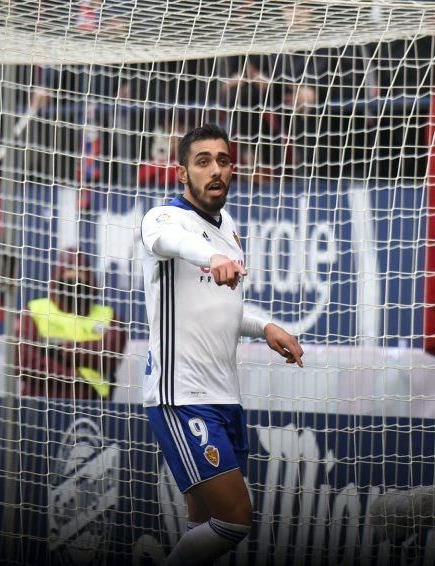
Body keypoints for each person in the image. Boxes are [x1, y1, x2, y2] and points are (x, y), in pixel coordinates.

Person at [139, 124, 304, 565]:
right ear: (182, 173)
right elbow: (171, 241)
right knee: (235, 520)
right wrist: (210, 257)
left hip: (224, 396)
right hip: (182, 396)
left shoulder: (228, 226)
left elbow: (223, 311)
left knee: (204, 527)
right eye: (203, 161)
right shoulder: (163, 217)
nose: (216, 170)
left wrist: (267, 326)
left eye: (224, 160)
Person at [16, 249, 127, 401]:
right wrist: (74, 375)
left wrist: (58, 349)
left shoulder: (110, 317)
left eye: (80, 271)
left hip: (92, 403)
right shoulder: (34, 311)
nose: (74, 276)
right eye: (69, 270)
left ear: (90, 277)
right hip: (38, 402)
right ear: (57, 275)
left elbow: (109, 357)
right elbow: (24, 362)